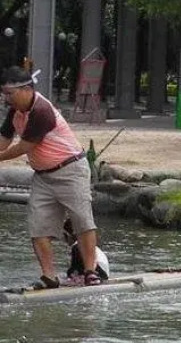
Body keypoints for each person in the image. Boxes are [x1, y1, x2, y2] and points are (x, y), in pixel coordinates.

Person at [0, 64, 104, 287]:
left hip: (70, 170)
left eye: (9, 94)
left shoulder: (42, 111)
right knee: (38, 227)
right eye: (3, 94)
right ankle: (49, 276)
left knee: (82, 221)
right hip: (43, 176)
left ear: (27, 89)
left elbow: (23, 147)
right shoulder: (14, 112)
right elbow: (4, 141)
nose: (6, 99)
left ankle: (90, 271)